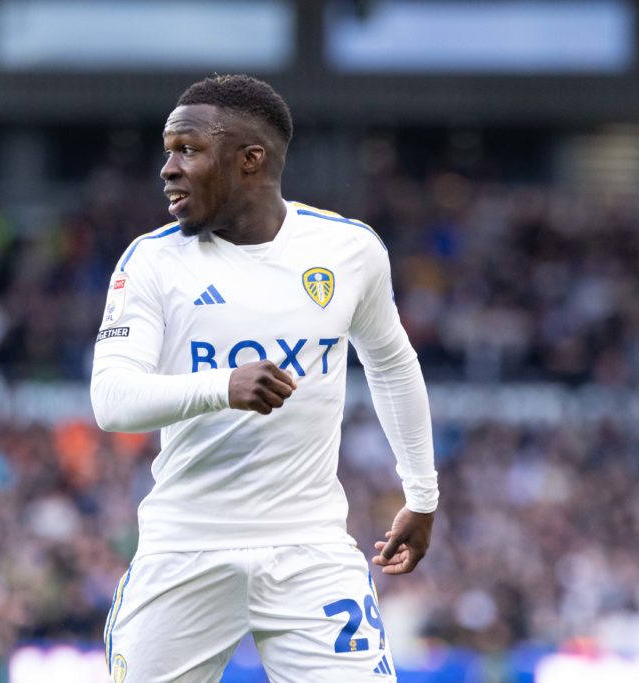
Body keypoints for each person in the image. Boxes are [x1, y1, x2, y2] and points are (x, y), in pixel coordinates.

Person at [91, 74, 438, 683]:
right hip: (185, 547)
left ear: (251, 159)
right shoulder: (152, 261)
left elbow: (391, 363)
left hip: (310, 549)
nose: (168, 168)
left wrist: (422, 493)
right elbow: (112, 400)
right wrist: (223, 386)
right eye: (168, 151)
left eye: (188, 150)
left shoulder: (348, 251)